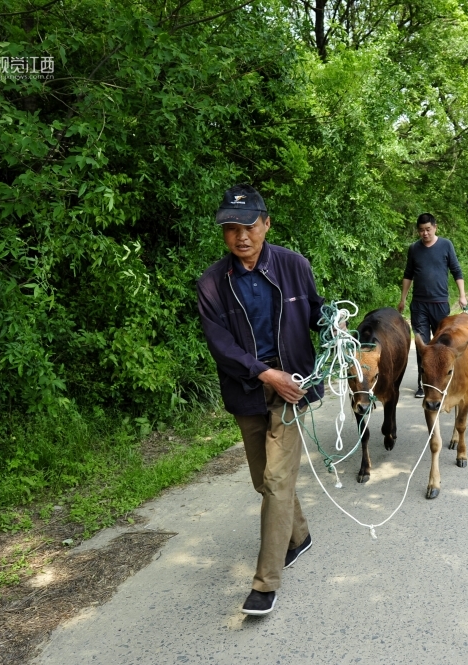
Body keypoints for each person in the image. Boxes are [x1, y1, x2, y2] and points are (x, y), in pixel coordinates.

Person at [196, 184, 324, 616]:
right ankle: (299, 535)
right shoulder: (212, 283)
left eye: (249, 225)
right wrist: (265, 373)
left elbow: (315, 312)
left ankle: (265, 583)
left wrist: (337, 326)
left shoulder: (293, 266)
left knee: (275, 481)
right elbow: (221, 345)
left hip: (291, 385)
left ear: (266, 224)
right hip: (248, 387)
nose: (241, 236)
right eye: (231, 228)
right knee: (264, 480)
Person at [397, 213, 467, 398]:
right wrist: (403, 299)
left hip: (440, 304)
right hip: (419, 305)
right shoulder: (414, 249)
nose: (425, 233)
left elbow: (456, 271)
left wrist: (462, 295)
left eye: (428, 229)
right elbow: (408, 274)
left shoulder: (446, 245)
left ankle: (444, 381)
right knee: (423, 344)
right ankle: (424, 383)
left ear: (435, 227)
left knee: (442, 345)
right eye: (421, 230)